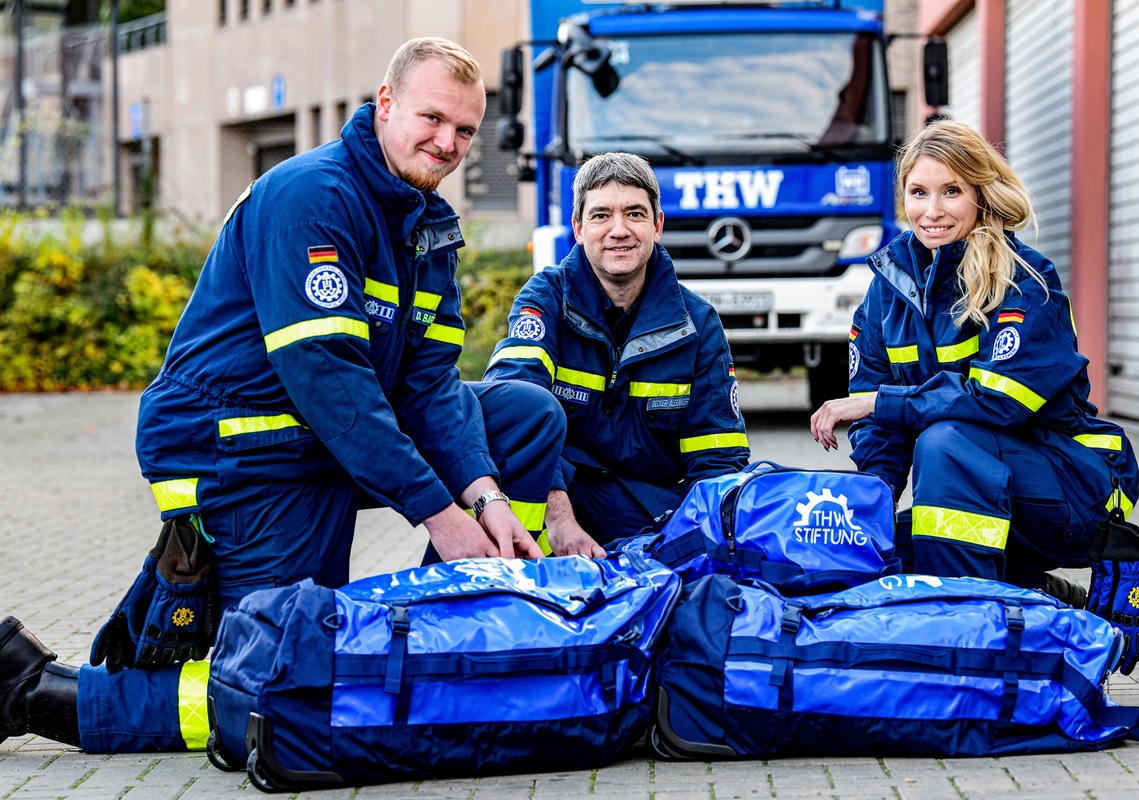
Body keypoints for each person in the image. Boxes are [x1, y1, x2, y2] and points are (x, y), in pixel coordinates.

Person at [1, 37, 564, 753]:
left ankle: (448, 632)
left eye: (464, 130)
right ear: (385, 105)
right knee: (281, 680)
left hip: (323, 440)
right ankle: (34, 692)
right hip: (244, 447)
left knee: (521, 414)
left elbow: (429, 382)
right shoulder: (313, 198)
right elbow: (328, 379)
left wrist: (481, 497)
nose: (447, 142)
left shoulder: (426, 225)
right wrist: (439, 516)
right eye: (432, 119)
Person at [810, 119, 1139, 673]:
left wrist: (878, 404)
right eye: (918, 193)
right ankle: (1064, 610)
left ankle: (968, 651)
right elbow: (879, 430)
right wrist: (867, 506)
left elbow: (996, 401)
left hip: (1075, 485)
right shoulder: (885, 291)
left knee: (946, 444)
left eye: (951, 191)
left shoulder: (1025, 279)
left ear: (979, 194)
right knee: (882, 546)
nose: (933, 210)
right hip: (976, 486)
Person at [484, 152, 751, 557]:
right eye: (601, 215)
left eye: (635, 214)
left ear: (657, 226)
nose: (619, 230)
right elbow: (510, 409)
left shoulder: (698, 323)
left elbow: (716, 460)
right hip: (556, 500)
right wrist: (560, 522)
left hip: (651, 511)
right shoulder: (545, 300)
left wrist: (698, 544)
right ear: (577, 228)